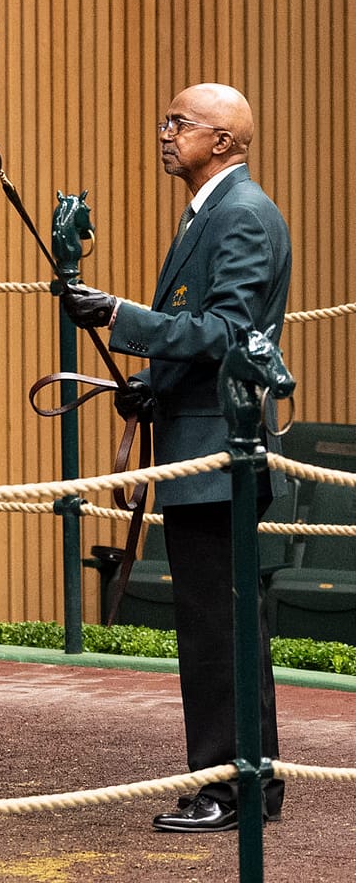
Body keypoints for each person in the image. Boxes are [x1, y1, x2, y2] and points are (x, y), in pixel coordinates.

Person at [62, 83, 290, 834]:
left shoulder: (242, 216)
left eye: (178, 122)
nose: (164, 132)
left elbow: (227, 332)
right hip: (198, 445)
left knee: (216, 630)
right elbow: (202, 335)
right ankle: (241, 781)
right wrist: (147, 387)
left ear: (221, 142)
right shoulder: (213, 212)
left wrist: (122, 317)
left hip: (218, 458)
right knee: (219, 626)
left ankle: (231, 788)